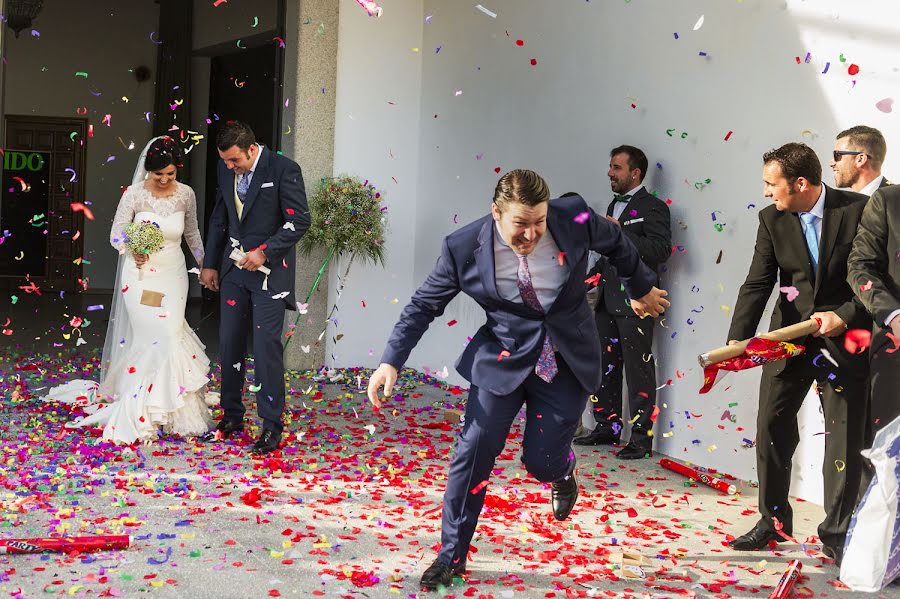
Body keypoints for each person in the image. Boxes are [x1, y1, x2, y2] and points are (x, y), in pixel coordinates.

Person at [366, 170, 669, 590]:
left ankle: (562, 472)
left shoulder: (574, 217)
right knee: (472, 452)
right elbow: (423, 305)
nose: (530, 234)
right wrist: (390, 362)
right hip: (503, 356)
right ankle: (451, 555)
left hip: (565, 358)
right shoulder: (462, 247)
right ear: (495, 213)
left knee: (541, 461)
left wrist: (640, 288)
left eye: (538, 223)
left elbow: (617, 243)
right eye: (519, 224)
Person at [725, 143, 870, 566]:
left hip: (845, 340)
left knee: (844, 436)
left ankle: (837, 532)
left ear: (800, 184)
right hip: (788, 340)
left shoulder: (860, 210)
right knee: (771, 424)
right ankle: (773, 522)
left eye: (773, 184)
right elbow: (758, 283)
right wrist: (739, 342)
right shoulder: (771, 219)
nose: (767, 192)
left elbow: (873, 277)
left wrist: (843, 315)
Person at [45, 136, 213, 444]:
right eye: (158, 174)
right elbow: (116, 234)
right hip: (140, 277)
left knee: (170, 333)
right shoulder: (134, 194)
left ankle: (171, 411)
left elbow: (192, 234)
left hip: (173, 275)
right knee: (153, 336)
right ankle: (143, 406)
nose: (164, 180)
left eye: (170, 174)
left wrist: (204, 265)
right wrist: (131, 248)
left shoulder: (186, 195)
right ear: (147, 169)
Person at [199, 121, 310, 455]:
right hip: (234, 273)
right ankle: (232, 416)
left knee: (265, 349)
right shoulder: (225, 168)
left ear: (251, 148)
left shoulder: (284, 169)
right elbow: (221, 216)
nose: (231, 168)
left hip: (269, 277)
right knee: (230, 343)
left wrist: (265, 251)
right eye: (226, 163)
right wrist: (210, 263)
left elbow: (299, 220)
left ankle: (271, 426)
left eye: (235, 161)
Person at [574, 145, 671, 459]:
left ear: (635, 173)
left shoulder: (654, 207)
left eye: (616, 167)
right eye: (610, 166)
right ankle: (607, 427)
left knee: (638, 369)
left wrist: (620, 234)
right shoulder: (613, 205)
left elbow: (659, 250)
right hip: (604, 297)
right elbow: (607, 255)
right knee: (604, 364)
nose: (610, 172)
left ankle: (641, 440)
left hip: (636, 299)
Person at [830, 125, 890, 195]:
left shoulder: (895, 200)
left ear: (860, 159)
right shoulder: (842, 204)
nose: (831, 163)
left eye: (837, 155)